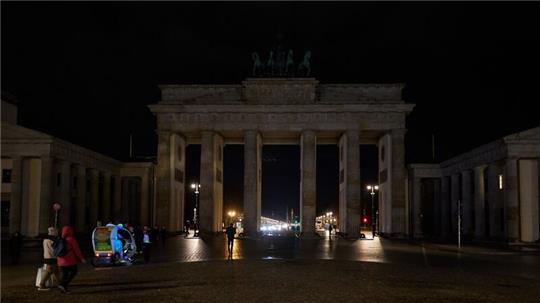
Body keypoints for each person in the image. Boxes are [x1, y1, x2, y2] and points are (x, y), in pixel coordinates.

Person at [57, 226, 86, 294]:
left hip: (60, 260)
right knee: (74, 272)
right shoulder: (71, 239)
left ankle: (63, 289)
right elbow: (77, 250)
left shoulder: (59, 239)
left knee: (64, 274)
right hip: (69, 261)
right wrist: (81, 258)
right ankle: (62, 285)